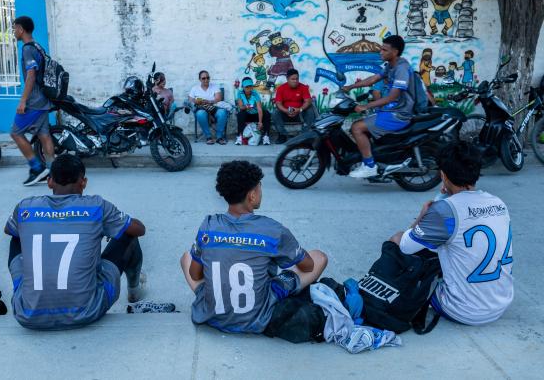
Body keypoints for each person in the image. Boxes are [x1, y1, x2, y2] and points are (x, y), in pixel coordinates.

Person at [180, 160, 328, 334]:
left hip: (212, 317)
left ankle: (214, 301)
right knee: (319, 257)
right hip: (258, 318)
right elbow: (308, 266)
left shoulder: (208, 225)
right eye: (260, 187)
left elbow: (194, 274)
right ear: (252, 195)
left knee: (186, 257)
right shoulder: (273, 230)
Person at [4, 154, 147, 330]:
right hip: (87, 311)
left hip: (28, 314)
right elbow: (139, 229)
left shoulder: (25, 206)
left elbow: (7, 229)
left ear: (49, 182)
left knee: (16, 235)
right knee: (127, 236)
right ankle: (134, 291)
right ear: (83, 182)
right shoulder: (96, 206)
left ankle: (36, 294)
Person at [389, 142, 513, 325]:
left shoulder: (443, 210)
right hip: (501, 304)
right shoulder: (498, 203)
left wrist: (422, 216)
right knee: (449, 244)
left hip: (464, 310)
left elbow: (406, 246)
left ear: (443, 175)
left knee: (396, 239)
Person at [341, 35, 416, 178]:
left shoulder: (401, 69)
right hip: (390, 110)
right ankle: (372, 157)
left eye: (384, 49)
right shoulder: (391, 65)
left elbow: (392, 97)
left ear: (395, 52)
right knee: (363, 124)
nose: (380, 52)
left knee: (357, 127)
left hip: (399, 114)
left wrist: (366, 106)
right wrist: (350, 86)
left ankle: (369, 166)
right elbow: (373, 79)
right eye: (381, 49)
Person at [10, 16, 56, 186]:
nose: (14, 32)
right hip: (44, 98)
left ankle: (36, 168)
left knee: (15, 132)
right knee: (44, 135)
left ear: (21, 29)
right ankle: (51, 171)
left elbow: (31, 74)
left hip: (34, 101)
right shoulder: (38, 46)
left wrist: (23, 101)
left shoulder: (28, 48)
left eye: (15, 28)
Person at [272, 68, 316, 144]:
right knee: (275, 112)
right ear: (287, 79)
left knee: (310, 110)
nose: (295, 81)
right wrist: (286, 111)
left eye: (297, 79)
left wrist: (300, 109)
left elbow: (308, 101)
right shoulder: (281, 88)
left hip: (299, 113)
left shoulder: (303, 87)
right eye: (293, 79)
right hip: (285, 113)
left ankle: (304, 135)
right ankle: (282, 135)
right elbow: (278, 103)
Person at [189, 70, 229, 145]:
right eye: (203, 78)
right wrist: (196, 101)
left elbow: (218, 98)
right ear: (200, 79)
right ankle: (208, 136)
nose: (206, 80)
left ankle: (219, 137)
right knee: (200, 114)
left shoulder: (214, 86)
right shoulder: (195, 88)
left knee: (223, 112)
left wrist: (209, 101)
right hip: (202, 108)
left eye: (208, 78)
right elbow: (190, 99)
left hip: (214, 107)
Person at [235, 77, 271, 145]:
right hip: (247, 114)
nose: (249, 89)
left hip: (255, 114)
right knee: (240, 114)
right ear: (243, 87)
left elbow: (259, 108)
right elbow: (241, 107)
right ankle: (239, 136)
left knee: (266, 113)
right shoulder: (240, 93)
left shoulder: (255, 93)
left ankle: (266, 136)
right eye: (247, 87)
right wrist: (246, 106)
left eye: (250, 86)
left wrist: (260, 122)